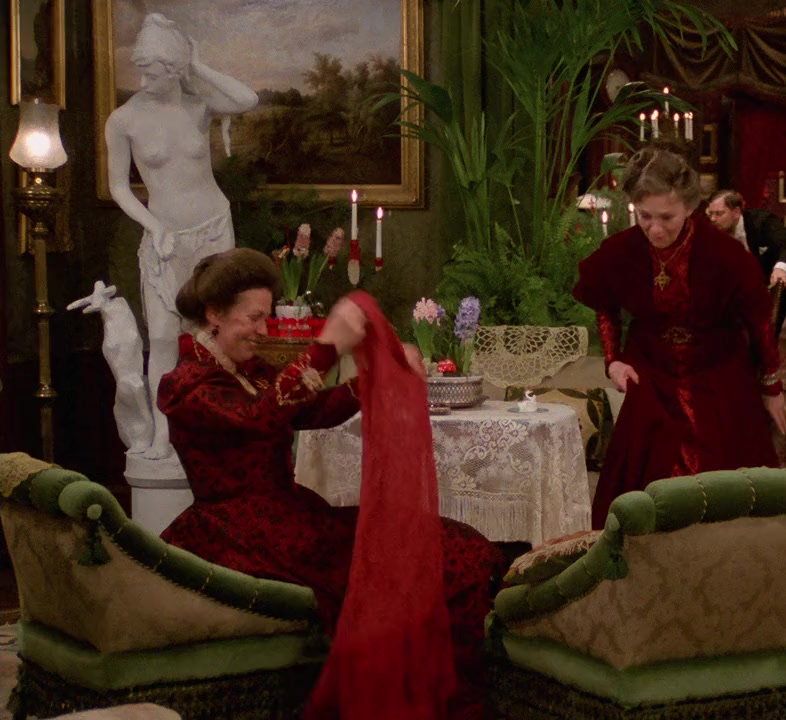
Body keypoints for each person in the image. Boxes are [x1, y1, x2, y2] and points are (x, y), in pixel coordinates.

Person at [157, 248, 503, 717]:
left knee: (454, 546)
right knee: (429, 557)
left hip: (286, 518)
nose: (264, 330)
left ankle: (448, 693)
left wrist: (377, 377)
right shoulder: (186, 384)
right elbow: (260, 417)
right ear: (214, 314)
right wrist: (326, 347)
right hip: (238, 534)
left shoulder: (247, 371)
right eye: (254, 318)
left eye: (267, 318)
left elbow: (311, 410)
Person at [574, 142, 786, 530]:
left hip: (719, 372)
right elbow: (604, 305)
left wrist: (771, 388)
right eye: (645, 216)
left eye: (666, 217)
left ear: (689, 207)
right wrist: (613, 361)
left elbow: (759, 321)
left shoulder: (725, 255)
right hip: (651, 372)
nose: (655, 229)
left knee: (724, 482)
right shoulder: (622, 251)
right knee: (649, 483)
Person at [105, 13, 258, 461]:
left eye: (152, 71)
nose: (143, 80)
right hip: (165, 238)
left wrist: (198, 65)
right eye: (140, 70)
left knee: (220, 334)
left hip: (214, 231)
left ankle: (220, 433)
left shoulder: (198, 105)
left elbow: (246, 99)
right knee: (164, 338)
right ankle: (163, 435)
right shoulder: (124, 119)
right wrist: (154, 227)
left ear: (174, 68)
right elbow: (119, 188)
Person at [706, 190, 786, 429]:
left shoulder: (762, 221)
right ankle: (758, 405)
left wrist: (782, 268)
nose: (713, 219)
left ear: (736, 212)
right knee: (763, 342)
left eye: (719, 213)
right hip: (771, 288)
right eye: (710, 214)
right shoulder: (716, 235)